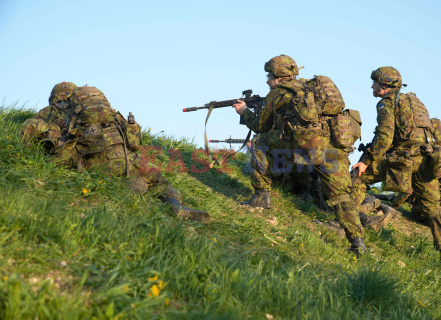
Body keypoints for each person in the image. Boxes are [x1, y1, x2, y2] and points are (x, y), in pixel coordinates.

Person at [233, 55, 366, 256]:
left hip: (306, 149)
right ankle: (357, 243)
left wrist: (244, 112)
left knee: (260, 142)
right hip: (332, 148)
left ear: (277, 76)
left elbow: (261, 125)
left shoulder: (277, 93)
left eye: (268, 76)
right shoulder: (310, 88)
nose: (267, 80)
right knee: (341, 197)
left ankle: (261, 196)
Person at [22, 83, 209, 222]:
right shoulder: (110, 113)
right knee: (159, 180)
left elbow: (36, 127)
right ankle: (174, 204)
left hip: (90, 160)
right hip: (126, 159)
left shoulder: (52, 111)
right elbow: (134, 144)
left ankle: (123, 189)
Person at [351, 67, 441, 268]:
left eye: (374, 82)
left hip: (405, 158)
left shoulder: (386, 103)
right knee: (433, 209)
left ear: (384, 86)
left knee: (358, 178)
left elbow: (385, 136)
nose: (371, 86)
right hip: (427, 159)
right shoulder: (412, 101)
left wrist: (365, 161)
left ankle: (345, 226)